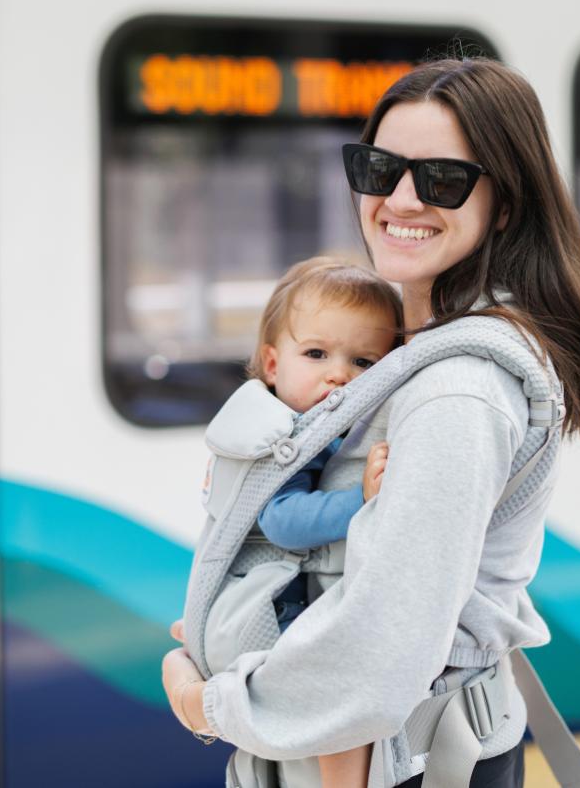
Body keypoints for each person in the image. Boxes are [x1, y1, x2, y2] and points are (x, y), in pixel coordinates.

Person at [163, 55, 580, 787]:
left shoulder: (456, 393)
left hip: (413, 763)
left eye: (442, 179)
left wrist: (208, 704)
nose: (401, 199)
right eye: (380, 169)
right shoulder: (404, 353)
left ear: (504, 204)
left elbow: (377, 648)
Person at [202, 256, 402, 788]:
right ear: (272, 365)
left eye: (364, 362)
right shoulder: (284, 434)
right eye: (316, 354)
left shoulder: (309, 424)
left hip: (263, 601)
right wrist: (358, 500)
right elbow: (283, 520)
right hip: (265, 610)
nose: (338, 374)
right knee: (338, 685)